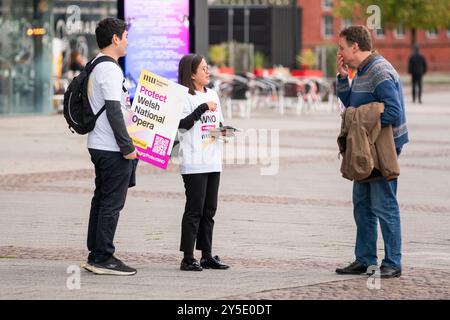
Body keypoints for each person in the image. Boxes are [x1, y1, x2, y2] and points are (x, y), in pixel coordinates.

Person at [335, 26, 409, 278]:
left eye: (342, 47)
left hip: (381, 148)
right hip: (366, 147)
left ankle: (393, 262)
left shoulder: (380, 71)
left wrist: (361, 125)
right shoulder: (362, 71)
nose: (340, 52)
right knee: (363, 204)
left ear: (355, 46)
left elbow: (392, 112)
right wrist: (343, 78)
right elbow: (351, 104)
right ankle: (365, 259)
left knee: (384, 205)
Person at [82, 17, 138, 276]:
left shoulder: (95, 65)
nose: (127, 41)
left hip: (99, 143)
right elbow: (115, 111)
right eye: (125, 36)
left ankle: (96, 253)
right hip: (111, 147)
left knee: (102, 200)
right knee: (111, 203)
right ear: (115, 39)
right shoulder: (110, 69)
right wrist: (127, 147)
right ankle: (103, 256)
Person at [176, 54, 230, 271]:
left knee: (209, 210)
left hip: (213, 160)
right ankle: (188, 258)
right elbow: (182, 125)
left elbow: (218, 122)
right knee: (194, 210)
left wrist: (224, 131)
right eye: (204, 69)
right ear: (191, 73)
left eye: (208, 68)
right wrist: (202, 108)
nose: (208, 72)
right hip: (194, 161)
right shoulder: (184, 97)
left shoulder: (213, 94)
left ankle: (206, 255)